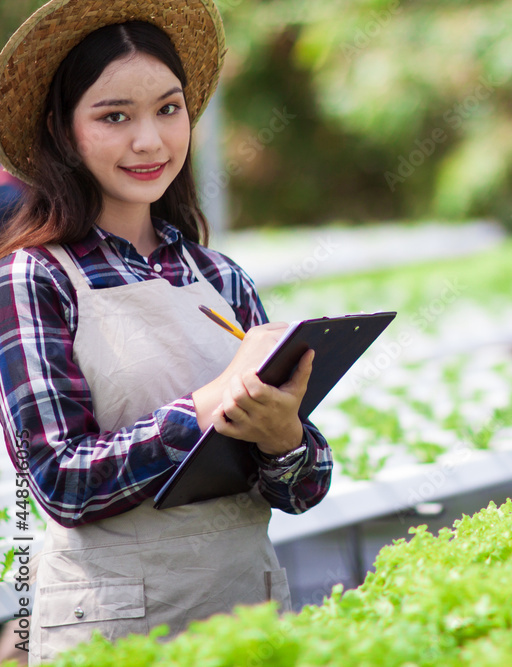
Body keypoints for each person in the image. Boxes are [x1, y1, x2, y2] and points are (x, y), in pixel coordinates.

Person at [0, 1, 333, 664]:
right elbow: (61, 481)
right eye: (114, 115)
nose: (150, 140)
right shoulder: (33, 277)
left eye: (169, 109)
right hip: (115, 631)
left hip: (249, 610)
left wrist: (284, 439)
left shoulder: (220, 275)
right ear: (63, 132)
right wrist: (207, 407)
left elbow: (303, 488)